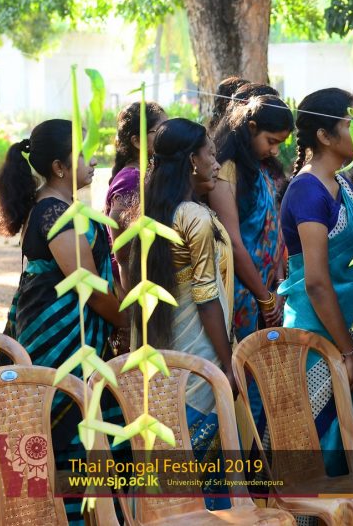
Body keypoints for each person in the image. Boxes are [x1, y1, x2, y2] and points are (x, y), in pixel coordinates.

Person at [0, 119, 125, 526]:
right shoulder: (54, 213)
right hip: (60, 344)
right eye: (82, 154)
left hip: (61, 335)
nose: (92, 160)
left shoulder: (54, 208)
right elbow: (91, 289)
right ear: (59, 167)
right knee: (62, 435)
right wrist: (128, 320)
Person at [131, 118, 233, 507]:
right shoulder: (195, 216)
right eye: (210, 154)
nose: (216, 164)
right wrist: (228, 364)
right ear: (192, 160)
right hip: (200, 357)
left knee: (170, 478)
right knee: (205, 480)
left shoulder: (153, 213)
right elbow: (206, 298)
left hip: (163, 359)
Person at [278, 88, 353, 476]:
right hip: (320, 338)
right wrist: (346, 352)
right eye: (352, 123)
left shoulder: (341, 183)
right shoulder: (308, 190)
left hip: (350, 330)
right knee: (317, 449)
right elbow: (317, 282)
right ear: (324, 135)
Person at [209, 95, 292, 340]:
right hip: (240, 291)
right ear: (252, 127)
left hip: (269, 290)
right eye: (271, 141)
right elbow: (233, 242)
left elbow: (274, 232)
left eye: (280, 144)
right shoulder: (226, 170)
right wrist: (265, 299)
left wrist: (278, 285)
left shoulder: (262, 168)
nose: (275, 150)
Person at [106, 101, 167, 288]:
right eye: (161, 130)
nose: (168, 135)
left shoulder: (146, 173)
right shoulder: (131, 180)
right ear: (137, 141)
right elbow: (125, 256)